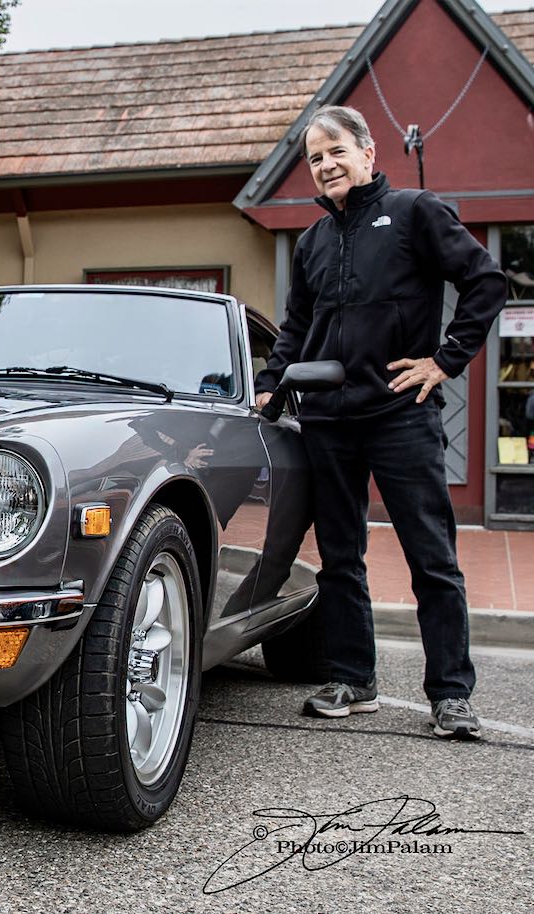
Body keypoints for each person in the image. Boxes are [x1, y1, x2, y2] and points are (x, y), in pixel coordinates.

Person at [254, 105, 506, 740]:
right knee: (340, 557)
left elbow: (486, 282)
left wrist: (445, 361)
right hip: (330, 424)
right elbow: (297, 331)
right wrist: (268, 384)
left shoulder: (416, 211)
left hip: (400, 415)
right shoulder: (311, 243)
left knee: (432, 558)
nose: (326, 164)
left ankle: (450, 694)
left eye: (336, 150)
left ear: (367, 153)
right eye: (315, 158)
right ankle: (353, 679)